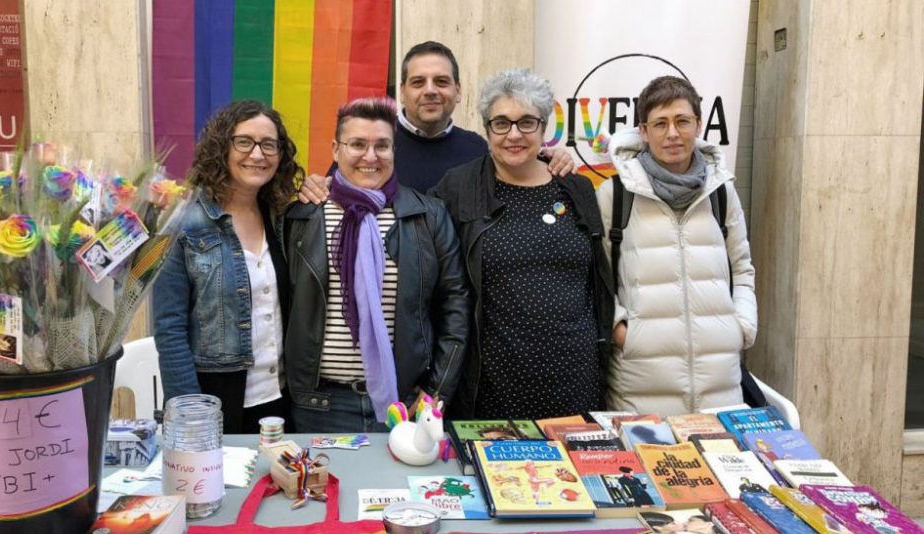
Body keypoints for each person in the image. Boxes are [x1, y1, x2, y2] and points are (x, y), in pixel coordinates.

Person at [431, 68, 615, 420]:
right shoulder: (458, 188)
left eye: (526, 122)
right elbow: (410, 229)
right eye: (501, 123)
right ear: (486, 129)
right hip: (496, 383)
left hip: (575, 379)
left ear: (544, 128)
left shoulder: (576, 189)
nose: (513, 134)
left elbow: (599, 283)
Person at [283, 97, 470, 433]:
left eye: (382, 145)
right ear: (335, 149)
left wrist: (435, 392)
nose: (370, 157)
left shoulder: (427, 215)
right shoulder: (302, 215)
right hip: (319, 407)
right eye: (357, 144)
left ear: (394, 151)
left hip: (406, 403)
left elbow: (455, 305)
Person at [597, 76, 757, 416]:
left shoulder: (721, 193)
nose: (672, 133)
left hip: (720, 390)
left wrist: (740, 327)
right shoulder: (616, 195)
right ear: (643, 131)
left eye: (682, 121)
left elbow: (742, 268)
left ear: (698, 125)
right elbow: (596, 280)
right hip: (640, 387)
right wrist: (623, 333)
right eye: (660, 123)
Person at [153, 100, 302, 434]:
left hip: (280, 399)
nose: (258, 154)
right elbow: (169, 328)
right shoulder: (182, 220)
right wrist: (191, 412)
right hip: (213, 399)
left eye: (269, 144)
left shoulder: (281, 218)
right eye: (244, 142)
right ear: (222, 147)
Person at [297, 41, 575, 201]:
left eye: (441, 81)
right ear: (403, 92)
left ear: (458, 91)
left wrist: (548, 158)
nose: (430, 90)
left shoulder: (478, 149)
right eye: (418, 82)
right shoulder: (372, 147)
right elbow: (330, 191)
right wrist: (314, 186)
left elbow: (518, 173)